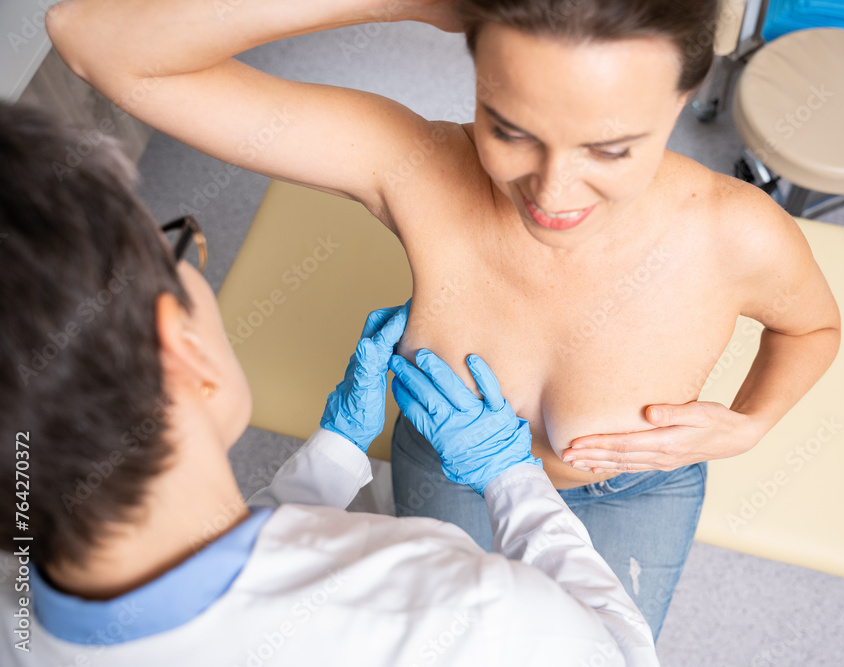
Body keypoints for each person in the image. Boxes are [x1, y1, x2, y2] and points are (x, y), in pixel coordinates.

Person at [46, 0, 842, 636]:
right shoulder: (414, 168)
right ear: (474, 69)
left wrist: (753, 421)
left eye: (611, 148)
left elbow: (812, 327)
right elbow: (94, 39)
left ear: (683, 100)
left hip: (640, 492)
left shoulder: (737, 231)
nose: (553, 193)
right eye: (510, 129)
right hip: (450, 471)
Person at [0, 103, 658, 665]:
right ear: (179, 342)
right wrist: (510, 475)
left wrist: (340, 445)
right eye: (176, 249)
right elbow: (617, 649)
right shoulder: (451, 603)